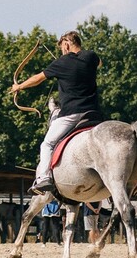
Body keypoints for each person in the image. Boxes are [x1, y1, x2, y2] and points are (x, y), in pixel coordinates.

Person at [10, 30, 104, 195]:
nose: (62, 51)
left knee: (47, 144)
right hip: (94, 113)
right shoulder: (91, 56)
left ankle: (44, 178)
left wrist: (19, 86)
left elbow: (37, 78)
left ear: (66, 44)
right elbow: (100, 63)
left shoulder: (62, 62)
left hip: (72, 114)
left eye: (62, 47)